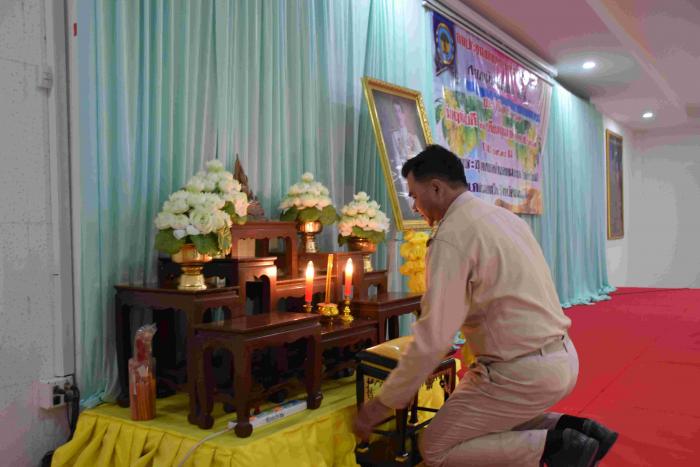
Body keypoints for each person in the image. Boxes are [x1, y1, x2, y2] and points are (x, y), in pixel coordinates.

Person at [353, 144, 618, 466]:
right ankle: (573, 429)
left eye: (414, 195)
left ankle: (556, 447)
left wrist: (383, 403)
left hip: (518, 372)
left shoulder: (451, 236)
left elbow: (434, 338)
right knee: (480, 425)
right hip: (561, 357)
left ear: (436, 187)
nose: (414, 205)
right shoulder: (504, 217)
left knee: (435, 447)